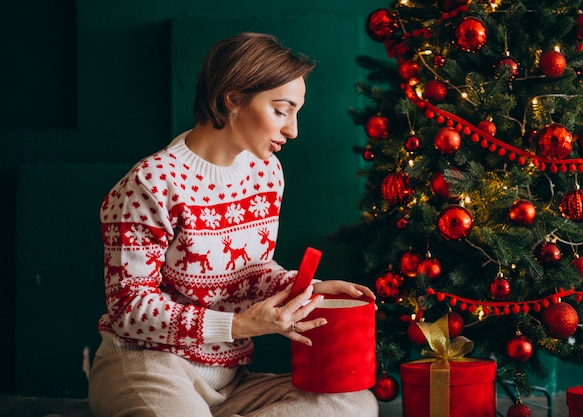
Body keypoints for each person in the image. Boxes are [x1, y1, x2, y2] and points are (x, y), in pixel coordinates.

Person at [88, 32, 379, 417]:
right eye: (281, 110)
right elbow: (129, 307)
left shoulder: (267, 172)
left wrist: (303, 289)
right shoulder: (151, 183)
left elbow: (250, 271)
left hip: (231, 380)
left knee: (355, 404)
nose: (293, 130)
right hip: (147, 365)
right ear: (233, 98)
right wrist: (237, 326)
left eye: (296, 112)